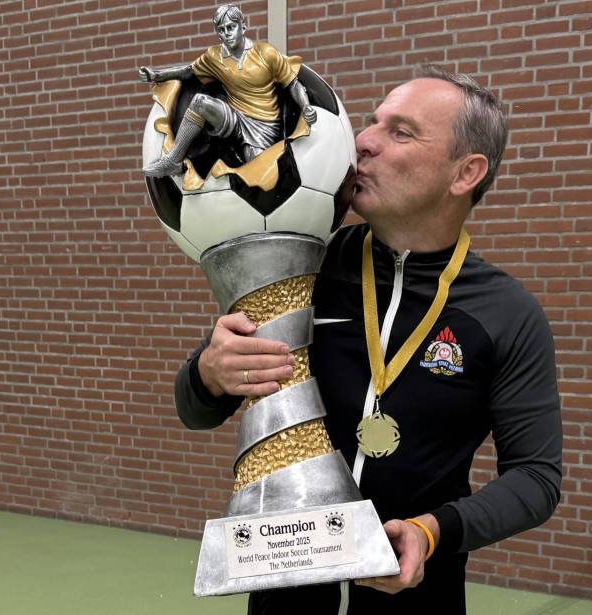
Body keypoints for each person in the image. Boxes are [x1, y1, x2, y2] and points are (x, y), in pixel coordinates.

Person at [175, 65, 563, 615]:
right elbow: (195, 410)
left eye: (400, 132)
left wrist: (433, 531)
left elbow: (535, 478)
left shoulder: (506, 313)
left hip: (417, 595)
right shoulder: (302, 265)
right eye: (372, 122)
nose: (363, 140)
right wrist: (209, 373)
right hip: (283, 587)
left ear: (465, 173)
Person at [139, 4, 317, 177]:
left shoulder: (266, 52)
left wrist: (306, 107)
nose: (227, 33)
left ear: (243, 27)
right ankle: (173, 160)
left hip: (264, 125)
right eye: (221, 30)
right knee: (200, 102)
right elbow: (188, 71)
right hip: (234, 117)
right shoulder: (214, 56)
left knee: (258, 173)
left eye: (231, 27)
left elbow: (293, 84)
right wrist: (156, 75)